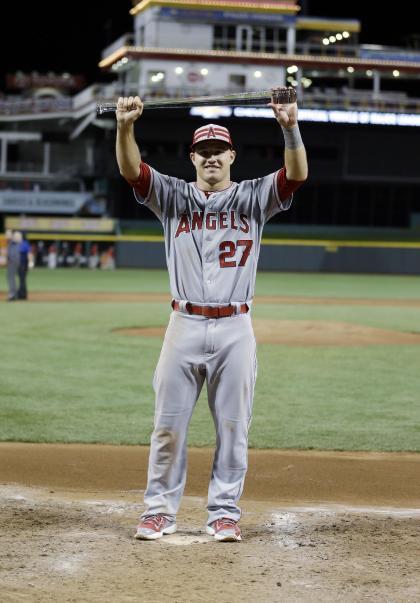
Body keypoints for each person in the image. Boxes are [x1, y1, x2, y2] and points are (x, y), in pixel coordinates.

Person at [116, 88, 308, 542]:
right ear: (194, 158)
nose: (211, 158)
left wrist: (289, 126)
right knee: (167, 427)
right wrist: (126, 127)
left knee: (233, 428)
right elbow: (132, 171)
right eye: (204, 152)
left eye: (218, 150)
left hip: (235, 327)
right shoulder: (173, 197)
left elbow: (295, 175)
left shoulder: (254, 197)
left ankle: (224, 513)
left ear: (232, 156)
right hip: (183, 324)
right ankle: (159, 511)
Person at [16, 231, 32, 300]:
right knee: (21, 279)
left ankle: (22, 295)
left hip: (23, 264)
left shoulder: (24, 243)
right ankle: (21, 293)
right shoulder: (19, 243)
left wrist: (30, 263)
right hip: (19, 264)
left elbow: (29, 254)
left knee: (22, 279)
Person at [5, 229, 20, 301]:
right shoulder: (11, 243)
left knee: (11, 278)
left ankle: (12, 294)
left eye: (7, 235)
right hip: (13, 261)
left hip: (13, 261)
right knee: (11, 277)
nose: (6, 236)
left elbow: (13, 254)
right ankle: (14, 294)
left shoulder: (13, 242)